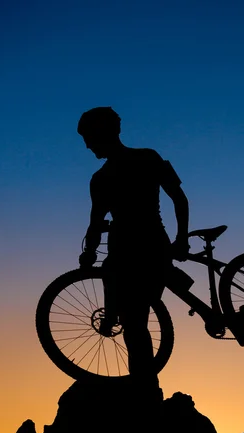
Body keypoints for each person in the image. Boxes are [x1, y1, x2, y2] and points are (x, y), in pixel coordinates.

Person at [77, 107, 190, 400]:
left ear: (101, 134)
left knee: (135, 321)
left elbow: (95, 223)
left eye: (88, 138)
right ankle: (144, 384)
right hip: (152, 244)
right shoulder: (148, 157)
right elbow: (179, 198)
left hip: (132, 248)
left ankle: (145, 390)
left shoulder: (101, 178)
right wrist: (180, 239)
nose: (87, 146)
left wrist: (88, 254)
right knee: (135, 316)